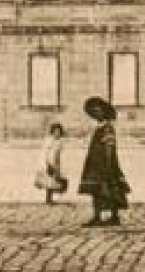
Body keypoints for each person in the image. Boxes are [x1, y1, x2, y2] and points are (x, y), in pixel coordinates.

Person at [77, 97, 129, 227]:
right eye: (93, 112)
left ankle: (114, 216)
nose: (96, 114)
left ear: (104, 112)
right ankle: (98, 216)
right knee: (96, 190)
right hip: (95, 164)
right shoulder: (99, 128)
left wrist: (108, 165)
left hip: (106, 164)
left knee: (111, 188)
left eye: (98, 111)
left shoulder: (107, 128)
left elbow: (109, 147)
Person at [38, 123, 67, 204]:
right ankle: (48, 199)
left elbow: (58, 154)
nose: (57, 133)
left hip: (56, 162)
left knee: (55, 181)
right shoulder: (49, 140)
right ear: (52, 132)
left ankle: (50, 199)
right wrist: (46, 163)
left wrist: (58, 165)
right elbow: (45, 153)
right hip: (48, 162)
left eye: (59, 131)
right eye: (56, 131)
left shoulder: (60, 142)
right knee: (49, 181)